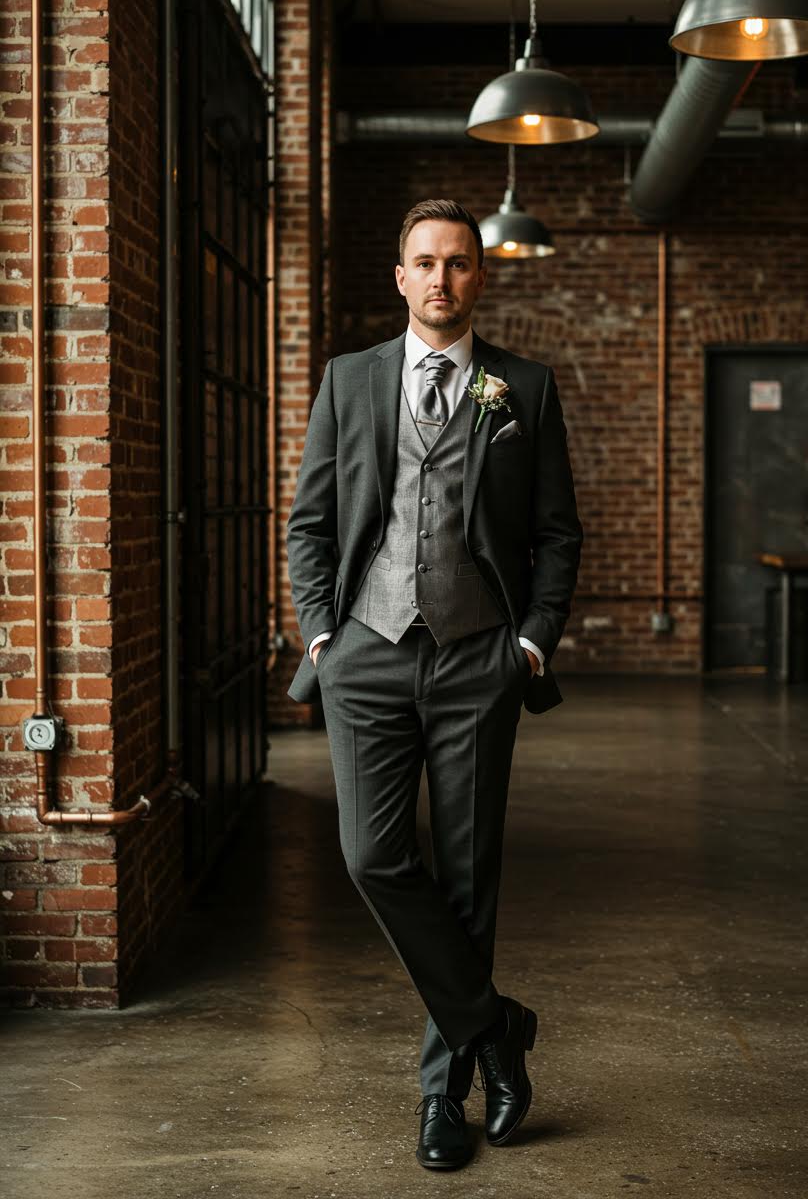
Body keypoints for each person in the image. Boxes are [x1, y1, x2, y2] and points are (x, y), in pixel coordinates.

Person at [286, 198, 582, 1169]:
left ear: (478, 277)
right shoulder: (350, 378)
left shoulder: (523, 388)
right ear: (400, 275)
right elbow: (311, 521)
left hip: (476, 657)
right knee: (371, 854)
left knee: (464, 877)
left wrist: (528, 645)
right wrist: (323, 635)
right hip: (365, 652)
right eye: (425, 261)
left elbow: (556, 534)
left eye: (458, 262)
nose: (441, 278)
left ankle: (439, 1096)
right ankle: (495, 1024)